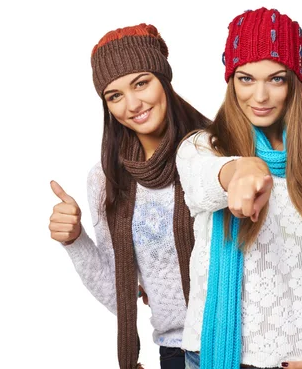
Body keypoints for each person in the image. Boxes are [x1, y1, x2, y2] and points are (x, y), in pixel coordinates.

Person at [176, 7, 302, 369]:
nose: (260, 96)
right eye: (245, 78)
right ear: (231, 81)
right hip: (216, 356)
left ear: (294, 82)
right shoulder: (203, 147)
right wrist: (239, 172)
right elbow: (204, 181)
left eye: (276, 79)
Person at [48, 23, 210, 369]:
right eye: (115, 95)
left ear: (163, 80)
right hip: (176, 350)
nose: (132, 104)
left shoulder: (214, 152)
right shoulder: (106, 180)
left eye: (141, 83)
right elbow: (122, 292)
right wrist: (75, 240)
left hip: (240, 342)